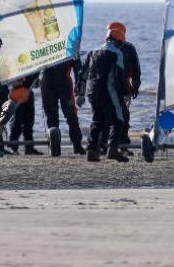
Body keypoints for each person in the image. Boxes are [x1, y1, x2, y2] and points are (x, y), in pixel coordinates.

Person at [80, 24, 130, 162]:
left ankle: (91, 151)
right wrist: (126, 93)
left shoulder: (92, 52)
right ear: (118, 41)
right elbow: (119, 76)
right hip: (108, 90)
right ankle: (112, 150)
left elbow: (82, 74)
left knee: (97, 120)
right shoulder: (116, 53)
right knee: (118, 119)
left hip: (92, 91)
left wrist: (80, 92)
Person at [41, 57, 85, 154]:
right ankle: (53, 146)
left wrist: (79, 85)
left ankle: (77, 144)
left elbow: (78, 67)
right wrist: (32, 78)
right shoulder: (43, 43)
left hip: (64, 83)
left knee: (71, 114)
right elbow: (34, 60)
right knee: (51, 115)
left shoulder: (70, 45)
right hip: (47, 83)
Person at [112, 22, 141, 155]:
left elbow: (136, 69)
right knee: (110, 117)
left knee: (124, 117)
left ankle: (122, 146)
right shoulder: (107, 49)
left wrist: (135, 86)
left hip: (125, 89)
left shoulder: (130, 48)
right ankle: (108, 144)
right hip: (109, 88)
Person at [6, 73, 42, 155]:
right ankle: (13, 147)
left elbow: (35, 84)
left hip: (28, 94)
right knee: (17, 122)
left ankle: (29, 148)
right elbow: (8, 78)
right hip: (17, 94)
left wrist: (36, 80)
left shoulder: (32, 68)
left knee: (29, 123)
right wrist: (14, 82)